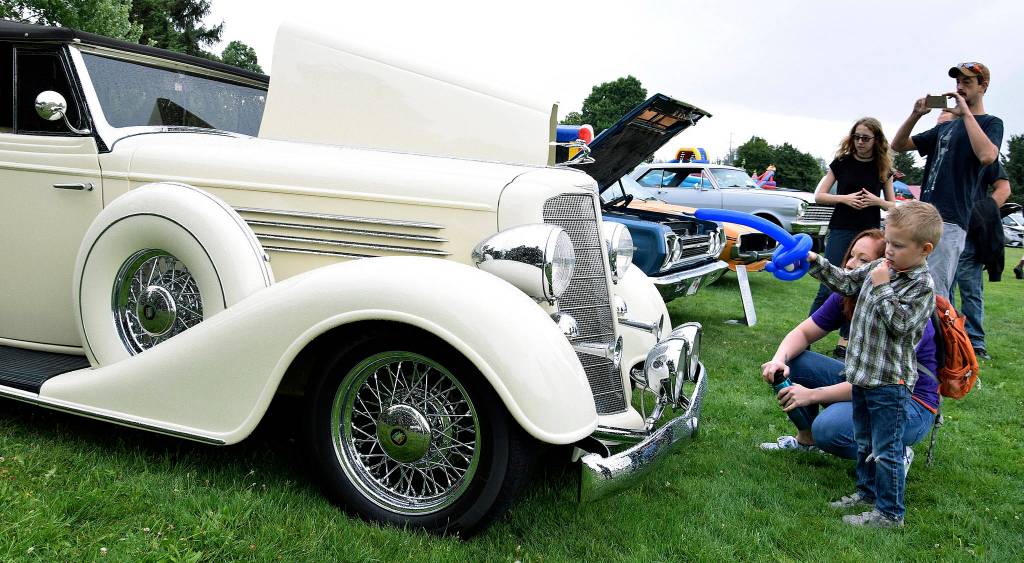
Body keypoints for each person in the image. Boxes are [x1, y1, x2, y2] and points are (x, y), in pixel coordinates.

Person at [806, 200, 943, 528]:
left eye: (898, 245)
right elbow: (845, 281)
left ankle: (890, 513)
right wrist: (814, 261)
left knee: (886, 448)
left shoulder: (922, 287)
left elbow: (900, 324)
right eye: (889, 241)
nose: (890, 250)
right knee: (865, 440)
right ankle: (866, 493)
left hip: (890, 384)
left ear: (925, 249)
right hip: (862, 377)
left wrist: (881, 287)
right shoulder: (882, 266)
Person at [760, 229, 938, 463]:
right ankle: (806, 440)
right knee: (792, 360)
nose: (853, 264)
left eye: (864, 260)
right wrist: (778, 360)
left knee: (829, 429)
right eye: (852, 255)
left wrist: (812, 395)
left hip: (906, 402)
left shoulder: (908, 303)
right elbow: (803, 332)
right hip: (865, 382)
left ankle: (894, 454)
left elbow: (879, 379)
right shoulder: (852, 291)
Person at [892, 62, 1003, 301]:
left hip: (951, 220)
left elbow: (987, 156)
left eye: (967, 82)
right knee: (910, 286)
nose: (960, 88)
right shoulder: (945, 127)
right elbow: (898, 145)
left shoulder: (991, 123)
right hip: (924, 217)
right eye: (958, 82)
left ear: (983, 86)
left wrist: (966, 115)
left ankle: (939, 339)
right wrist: (915, 115)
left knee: (935, 295)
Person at [809, 118, 897, 318]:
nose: (860, 142)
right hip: (841, 228)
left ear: (876, 140)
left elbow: (893, 206)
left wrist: (877, 201)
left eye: (865, 138)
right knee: (826, 285)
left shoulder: (882, 167)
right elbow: (819, 195)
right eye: (856, 137)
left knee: (860, 287)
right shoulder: (842, 162)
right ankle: (805, 339)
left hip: (868, 234)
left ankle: (845, 342)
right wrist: (845, 199)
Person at [951, 163, 1011, 360]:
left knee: (971, 289)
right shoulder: (946, 147)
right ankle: (948, 337)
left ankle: (975, 342)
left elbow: (1004, 188)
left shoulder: (985, 155)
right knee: (943, 289)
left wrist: (982, 214)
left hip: (970, 234)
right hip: (944, 228)